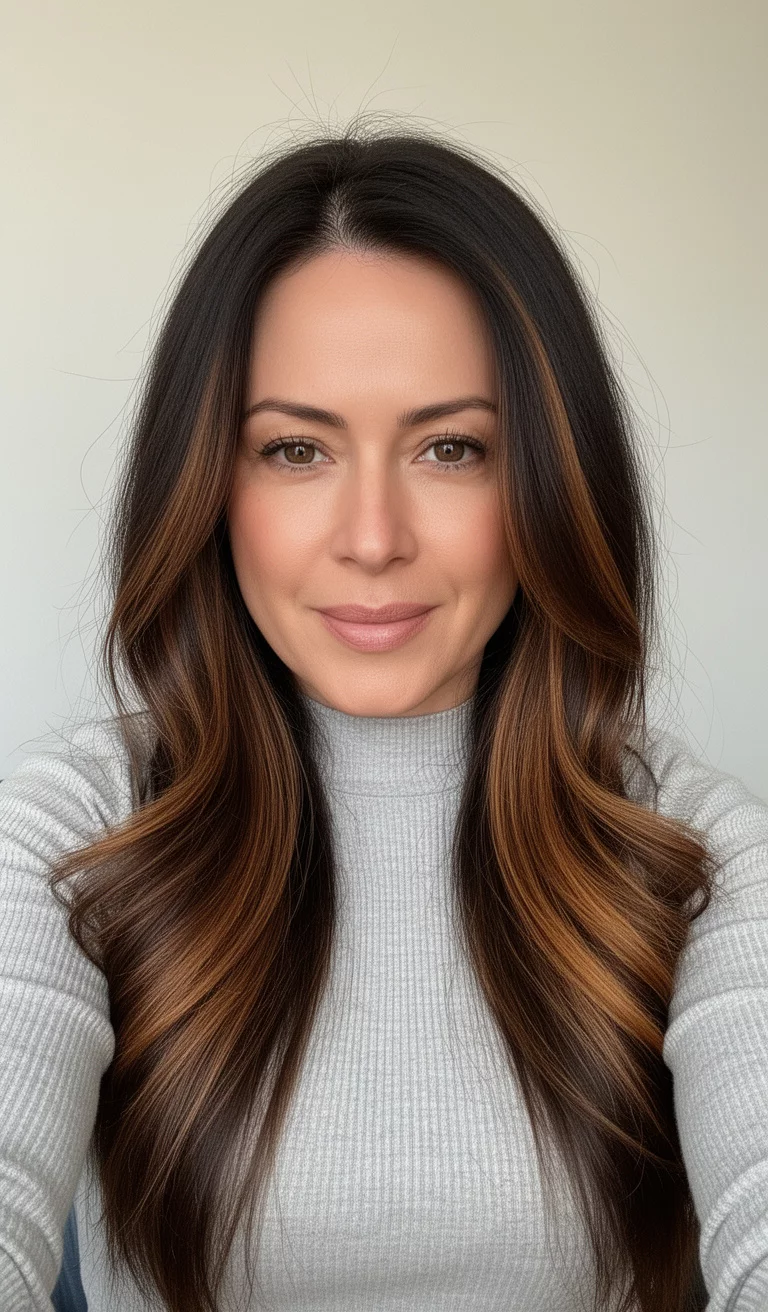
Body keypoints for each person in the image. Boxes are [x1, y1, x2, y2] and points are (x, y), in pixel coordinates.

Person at [1, 119, 766, 1312]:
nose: (371, 538)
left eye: (451, 448)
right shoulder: (77, 831)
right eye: (296, 450)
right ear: (206, 486)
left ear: (551, 485)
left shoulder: (693, 851)